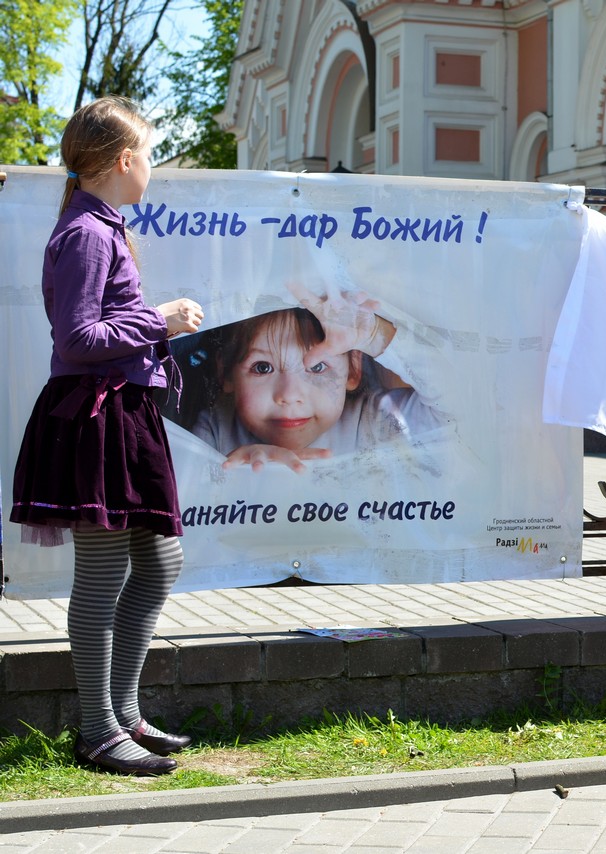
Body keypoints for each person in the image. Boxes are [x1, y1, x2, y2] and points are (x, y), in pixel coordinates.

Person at [7, 97, 203, 775]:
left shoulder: (102, 226)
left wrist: (153, 324)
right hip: (96, 415)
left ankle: (123, 714)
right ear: (124, 160)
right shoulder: (86, 234)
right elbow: (79, 337)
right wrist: (160, 319)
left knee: (160, 563)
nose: (151, 166)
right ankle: (97, 732)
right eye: (147, 154)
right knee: (102, 576)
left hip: (123, 413)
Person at [192, 287, 454, 473]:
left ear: (353, 371)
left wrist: (376, 337)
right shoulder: (216, 429)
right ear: (226, 372)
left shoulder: (375, 420)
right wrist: (229, 474)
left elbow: (461, 408)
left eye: (317, 367)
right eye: (262, 367)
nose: (290, 395)